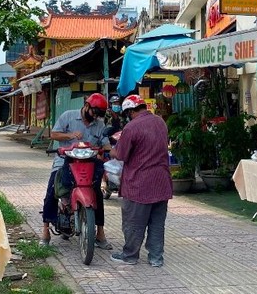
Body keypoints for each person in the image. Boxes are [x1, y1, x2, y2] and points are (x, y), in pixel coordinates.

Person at [40, 93, 112, 249]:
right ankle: (45, 230)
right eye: (94, 112)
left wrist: (108, 150)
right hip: (64, 160)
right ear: (86, 106)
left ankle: (100, 232)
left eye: (98, 115)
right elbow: (53, 134)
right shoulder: (68, 116)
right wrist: (70, 135)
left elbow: (105, 145)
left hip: (88, 163)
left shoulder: (99, 125)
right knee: (52, 189)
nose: (95, 117)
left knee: (97, 194)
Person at [109, 94, 173, 267]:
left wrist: (111, 151)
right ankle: (156, 258)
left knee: (134, 222)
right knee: (157, 223)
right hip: (161, 182)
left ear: (130, 111)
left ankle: (130, 255)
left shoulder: (131, 127)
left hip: (139, 183)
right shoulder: (160, 122)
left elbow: (121, 154)